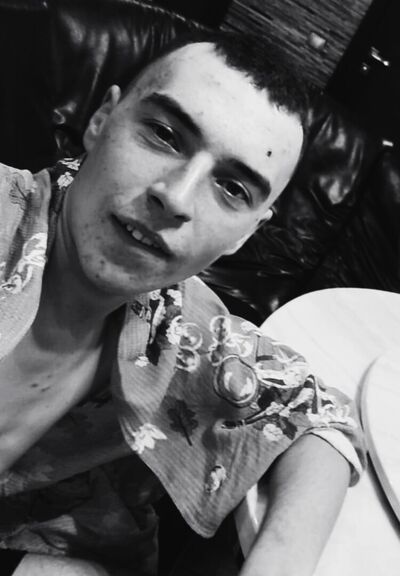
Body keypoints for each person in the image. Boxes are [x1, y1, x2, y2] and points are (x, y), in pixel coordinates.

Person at [0, 30, 365, 576]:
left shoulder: (174, 325)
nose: (175, 196)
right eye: (165, 135)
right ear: (101, 120)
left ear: (247, 233)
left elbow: (316, 414)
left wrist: (282, 557)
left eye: (233, 188)